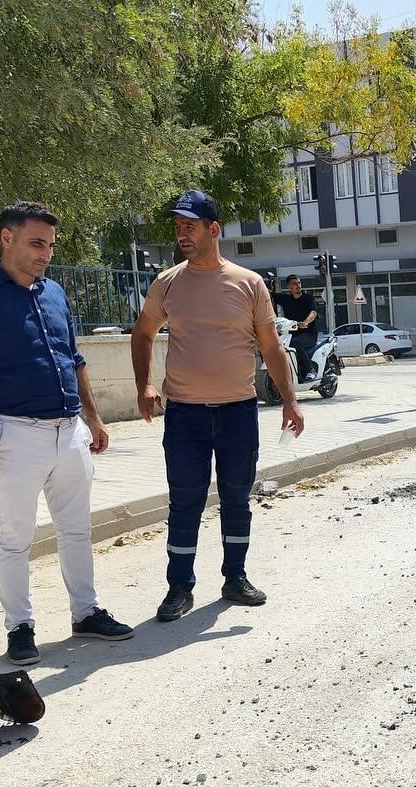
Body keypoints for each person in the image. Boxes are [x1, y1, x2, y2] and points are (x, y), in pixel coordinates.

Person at [0, 202, 133, 666]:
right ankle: (20, 627)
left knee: (77, 529)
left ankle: (86, 613)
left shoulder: (54, 293)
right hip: (15, 433)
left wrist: (93, 418)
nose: (45, 254)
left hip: (68, 430)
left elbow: (75, 359)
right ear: (6, 238)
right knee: (14, 536)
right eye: (36, 243)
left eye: (50, 245)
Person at [130, 189, 304, 621]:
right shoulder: (167, 282)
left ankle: (235, 577)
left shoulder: (248, 283)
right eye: (177, 227)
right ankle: (179, 588)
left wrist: (290, 401)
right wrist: (144, 386)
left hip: (238, 413)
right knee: (184, 501)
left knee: (236, 499)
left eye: (189, 226)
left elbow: (271, 346)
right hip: (185, 414)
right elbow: (143, 333)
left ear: (213, 229)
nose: (181, 234)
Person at [275, 274, 319, 380]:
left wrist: (305, 323)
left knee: (295, 342)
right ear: (289, 286)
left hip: (309, 334)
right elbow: (268, 293)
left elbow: (313, 313)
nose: (298, 285)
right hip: (290, 334)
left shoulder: (308, 298)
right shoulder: (286, 299)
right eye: (294, 283)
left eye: (299, 283)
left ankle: (310, 370)